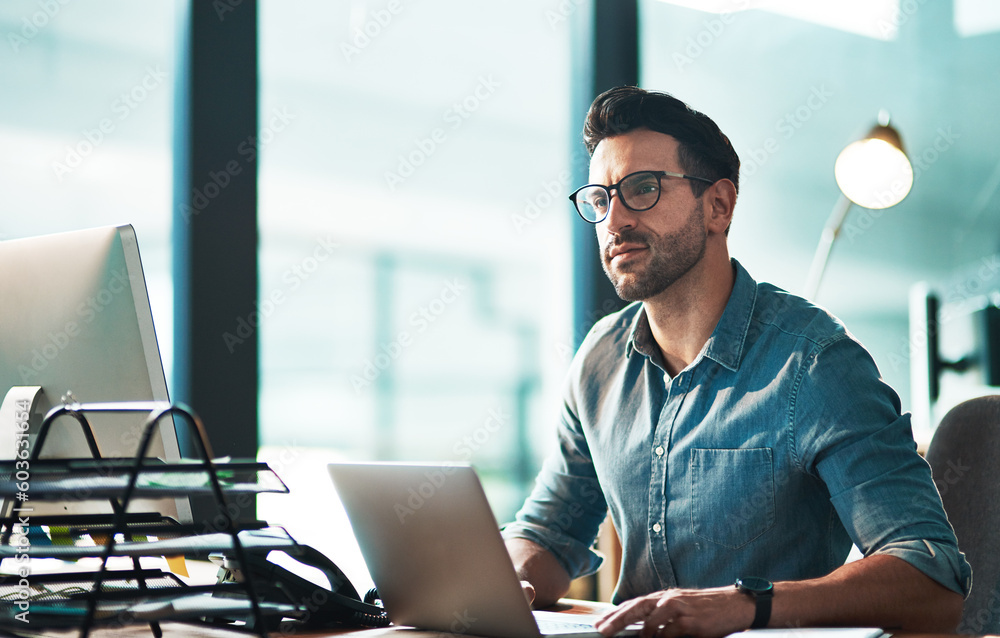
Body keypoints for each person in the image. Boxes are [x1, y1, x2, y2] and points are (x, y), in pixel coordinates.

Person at [501, 85, 971, 638]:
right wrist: (501, 577)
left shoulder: (814, 363)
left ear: (718, 206)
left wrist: (747, 605)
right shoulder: (599, 362)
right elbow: (548, 534)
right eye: (601, 200)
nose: (615, 220)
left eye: (642, 189)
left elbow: (931, 577)